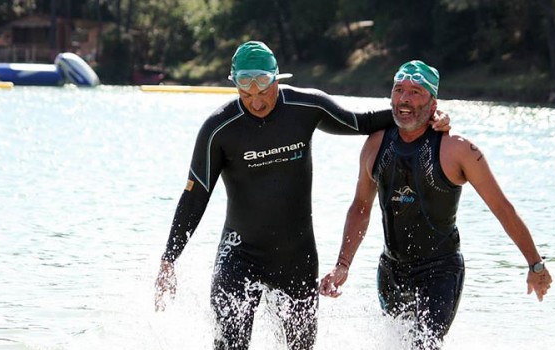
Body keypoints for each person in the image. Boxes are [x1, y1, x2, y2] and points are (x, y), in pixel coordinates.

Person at [153, 42, 450, 350]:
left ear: (276, 79)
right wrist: (168, 259)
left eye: (263, 91)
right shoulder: (219, 129)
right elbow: (194, 196)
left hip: (295, 257)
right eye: (246, 93)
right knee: (228, 344)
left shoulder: (306, 107)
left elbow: (363, 123)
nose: (256, 102)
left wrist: (431, 114)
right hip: (239, 255)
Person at [318, 60, 553, 349]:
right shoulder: (375, 143)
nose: (404, 98)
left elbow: (502, 208)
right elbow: (360, 208)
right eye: (399, 90)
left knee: (423, 346)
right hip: (391, 271)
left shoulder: (458, 149)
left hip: (440, 272)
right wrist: (343, 265)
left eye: (415, 92)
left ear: (433, 102)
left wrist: (536, 264)